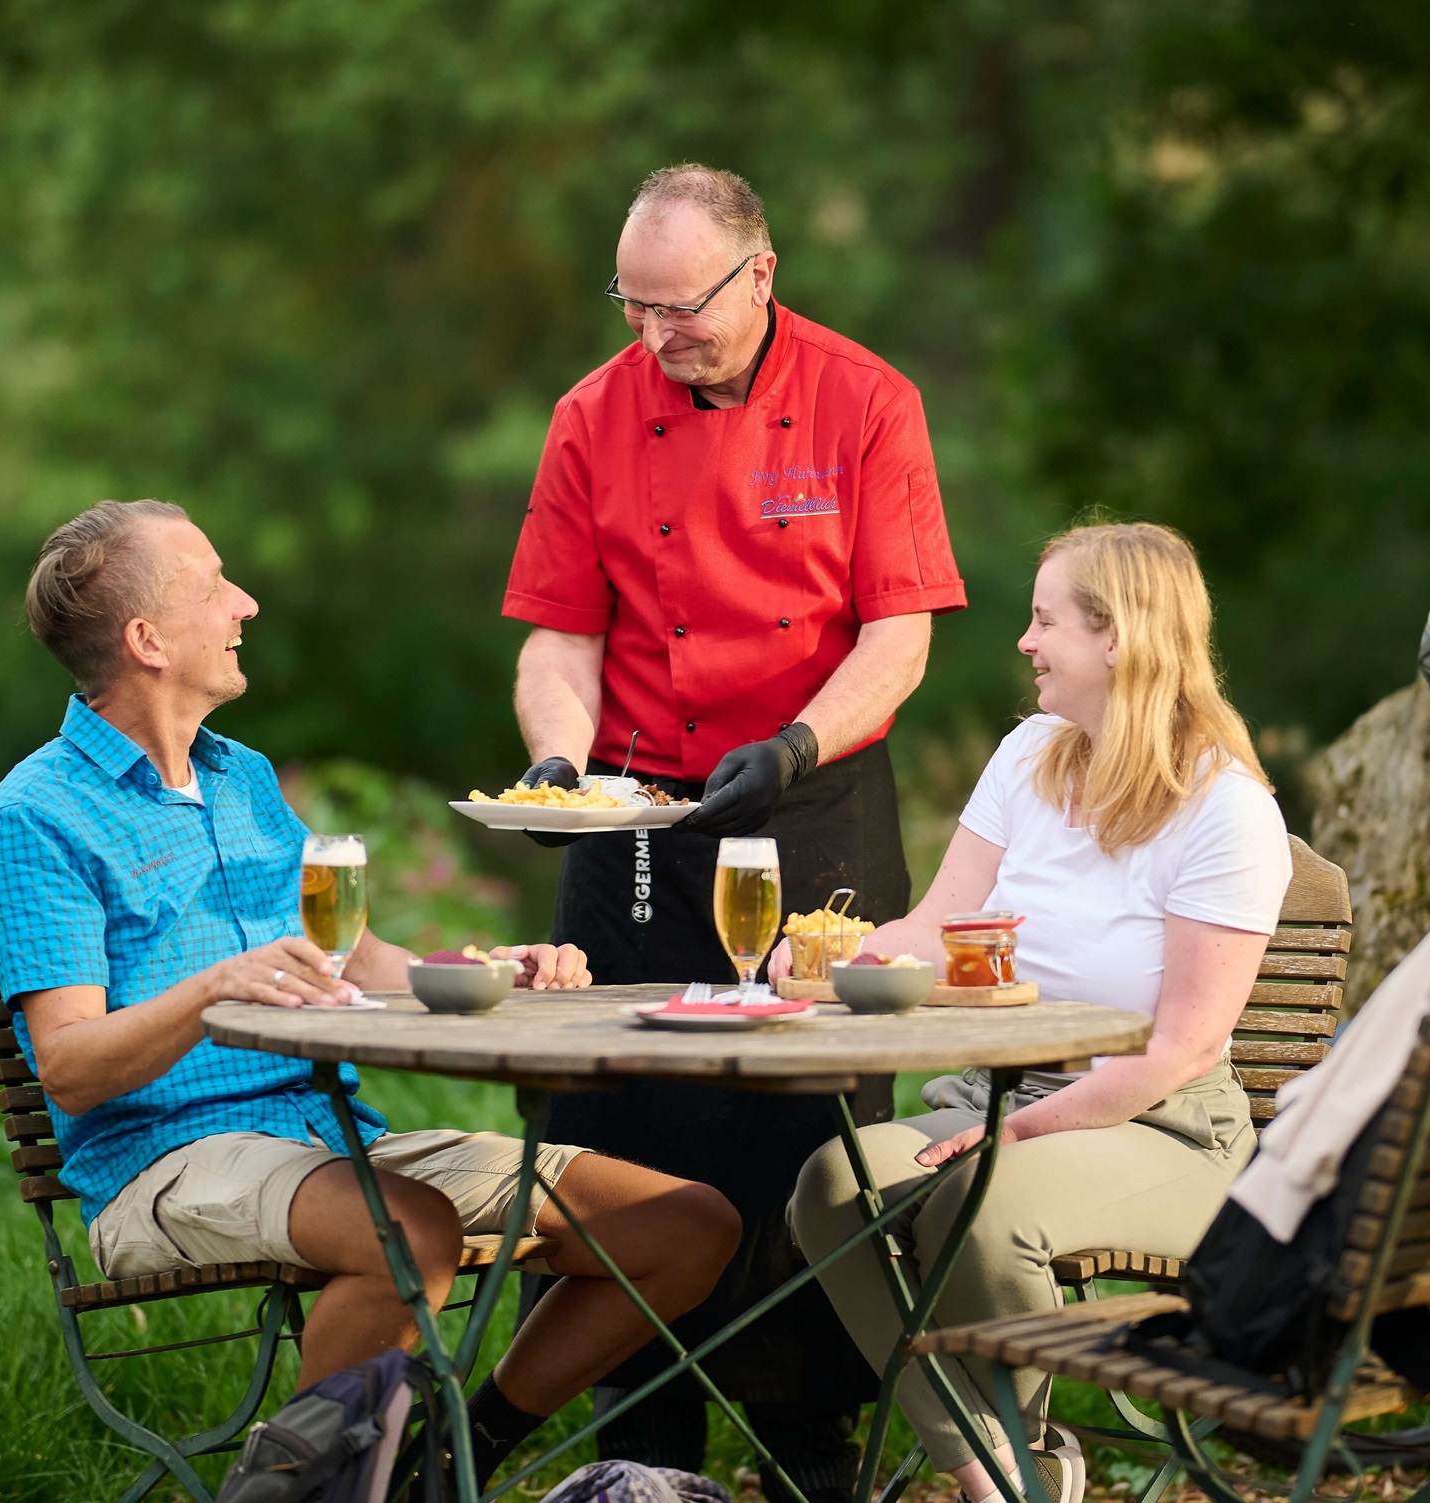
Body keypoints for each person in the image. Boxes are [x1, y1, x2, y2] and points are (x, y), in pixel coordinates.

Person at [0, 500, 742, 1483]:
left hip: (331, 1139)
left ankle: (443, 1463)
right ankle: (303, 1489)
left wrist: (490, 972)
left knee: (685, 1225)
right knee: (408, 1232)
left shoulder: (242, 778)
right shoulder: (35, 815)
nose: (245, 604)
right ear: (147, 640)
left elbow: (363, 961)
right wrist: (214, 991)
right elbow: (71, 1067)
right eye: (214, 586)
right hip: (161, 1161)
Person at [500, 164, 966, 1496]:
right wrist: (558, 763)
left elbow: (898, 636)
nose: (655, 335)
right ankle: (637, 1450)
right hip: (639, 811)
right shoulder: (590, 415)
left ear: (759, 274)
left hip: (812, 800)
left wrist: (798, 744)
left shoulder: (867, 399)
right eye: (632, 305)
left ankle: (811, 1448)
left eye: (680, 307)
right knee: (619, 1115)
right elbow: (559, 639)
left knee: (809, 1131)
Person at [785, 522, 1294, 1503]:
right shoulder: (1029, 754)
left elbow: (1182, 1049)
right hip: (995, 1096)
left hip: (1161, 1127)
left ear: (1118, 637)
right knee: (833, 1185)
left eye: (1044, 620)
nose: (1023, 641)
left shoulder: (1226, 810)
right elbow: (937, 926)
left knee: (979, 1204)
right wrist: (835, 955)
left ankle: (1016, 1460)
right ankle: (998, 1470)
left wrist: (1014, 1134)